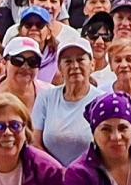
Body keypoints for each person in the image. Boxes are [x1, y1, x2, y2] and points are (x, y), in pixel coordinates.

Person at [30, 38, 106, 166]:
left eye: (80, 60)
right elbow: (35, 143)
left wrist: (76, 174)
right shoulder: (46, 98)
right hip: (50, 175)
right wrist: (58, 171)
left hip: (89, 176)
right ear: (59, 67)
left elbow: (105, 148)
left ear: (92, 64)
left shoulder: (102, 101)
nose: (75, 66)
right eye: (68, 61)